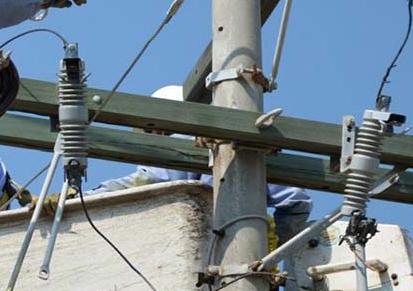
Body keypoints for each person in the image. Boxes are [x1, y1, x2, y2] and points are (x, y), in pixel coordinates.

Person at [81, 85, 313, 237]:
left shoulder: (179, 146)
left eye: (156, 130)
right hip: (244, 249)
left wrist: (82, 199)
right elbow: (296, 201)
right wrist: (282, 246)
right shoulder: (252, 150)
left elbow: (147, 180)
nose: (156, 136)